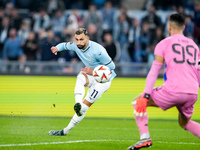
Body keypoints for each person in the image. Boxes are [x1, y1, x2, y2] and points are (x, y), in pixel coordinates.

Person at [127, 13, 200, 150]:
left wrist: (146, 96)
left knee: (138, 102)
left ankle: (145, 138)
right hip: (192, 92)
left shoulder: (164, 43)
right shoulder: (194, 46)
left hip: (174, 91)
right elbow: (199, 72)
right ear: (183, 27)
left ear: (169, 27)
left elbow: (154, 71)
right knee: (185, 123)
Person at [48, 28, 116, 136]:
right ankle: (77, 103)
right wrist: (57, 48)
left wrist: (94, 71)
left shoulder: (98, 51)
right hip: (91, 74)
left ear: (87, 38)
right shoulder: (76, 45)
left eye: (81, 39)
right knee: (80, 77)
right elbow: (65, 45)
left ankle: (65, 131)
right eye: (77, 39)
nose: (78, 42)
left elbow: (112, 67)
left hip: (103, 80)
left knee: (84, 108)